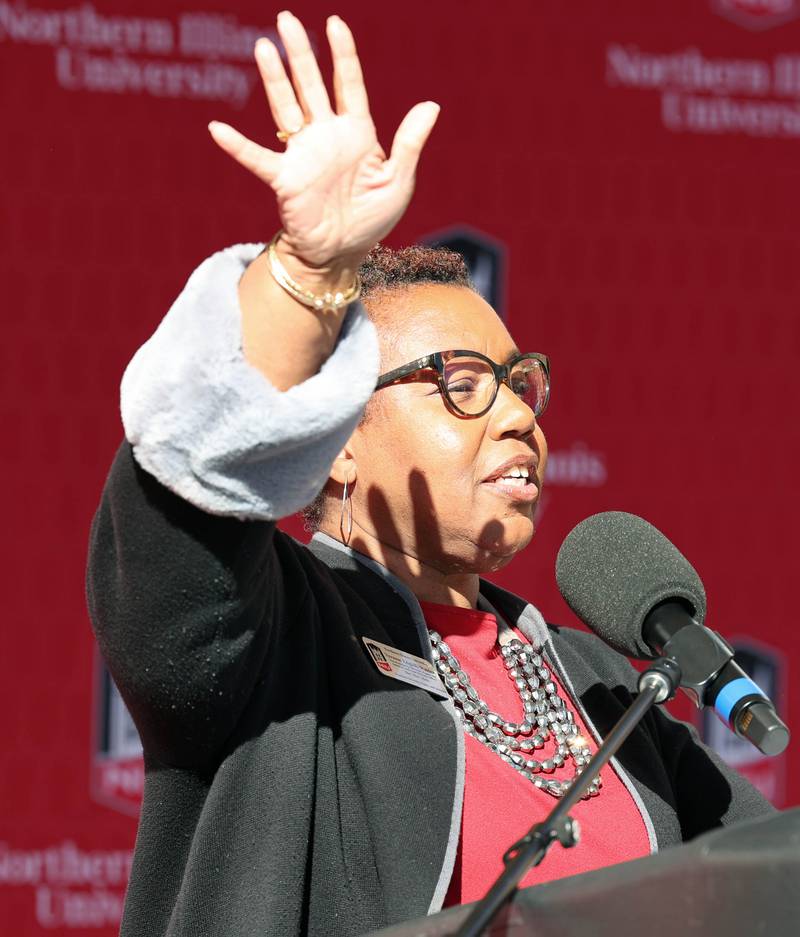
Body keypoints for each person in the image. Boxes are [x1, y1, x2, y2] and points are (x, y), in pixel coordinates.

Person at [86, 12, 772, 937]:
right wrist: (308, 274)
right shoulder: (276, 638)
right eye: (462, 383)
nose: (520, 414)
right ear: (338, 436)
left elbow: (764, 873)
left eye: (524, 384)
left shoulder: (598, 678)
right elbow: (186, 478)